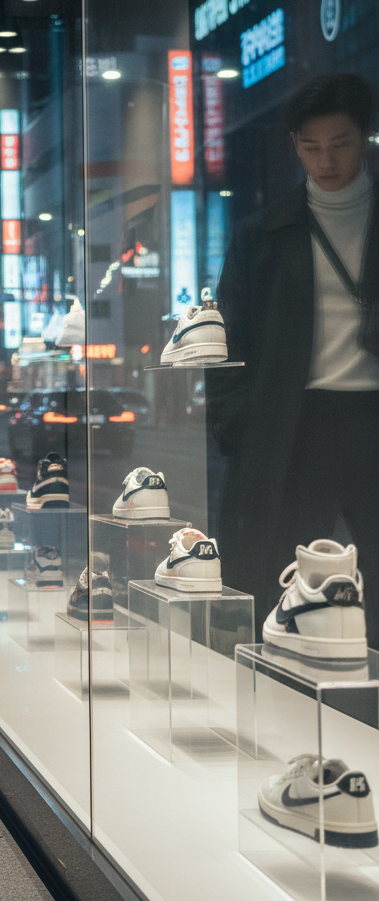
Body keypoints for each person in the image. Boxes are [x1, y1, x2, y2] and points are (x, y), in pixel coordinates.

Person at [209, 73, 379, 645]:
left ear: (365, 138)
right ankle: (295, 694)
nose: (326, 160)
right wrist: (236, 425)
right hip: (294, 423)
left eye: (340, 144)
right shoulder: (263, 233)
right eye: (311, 147)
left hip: (372, 417)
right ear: (293, 145)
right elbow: (230, 341)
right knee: (288, 579)